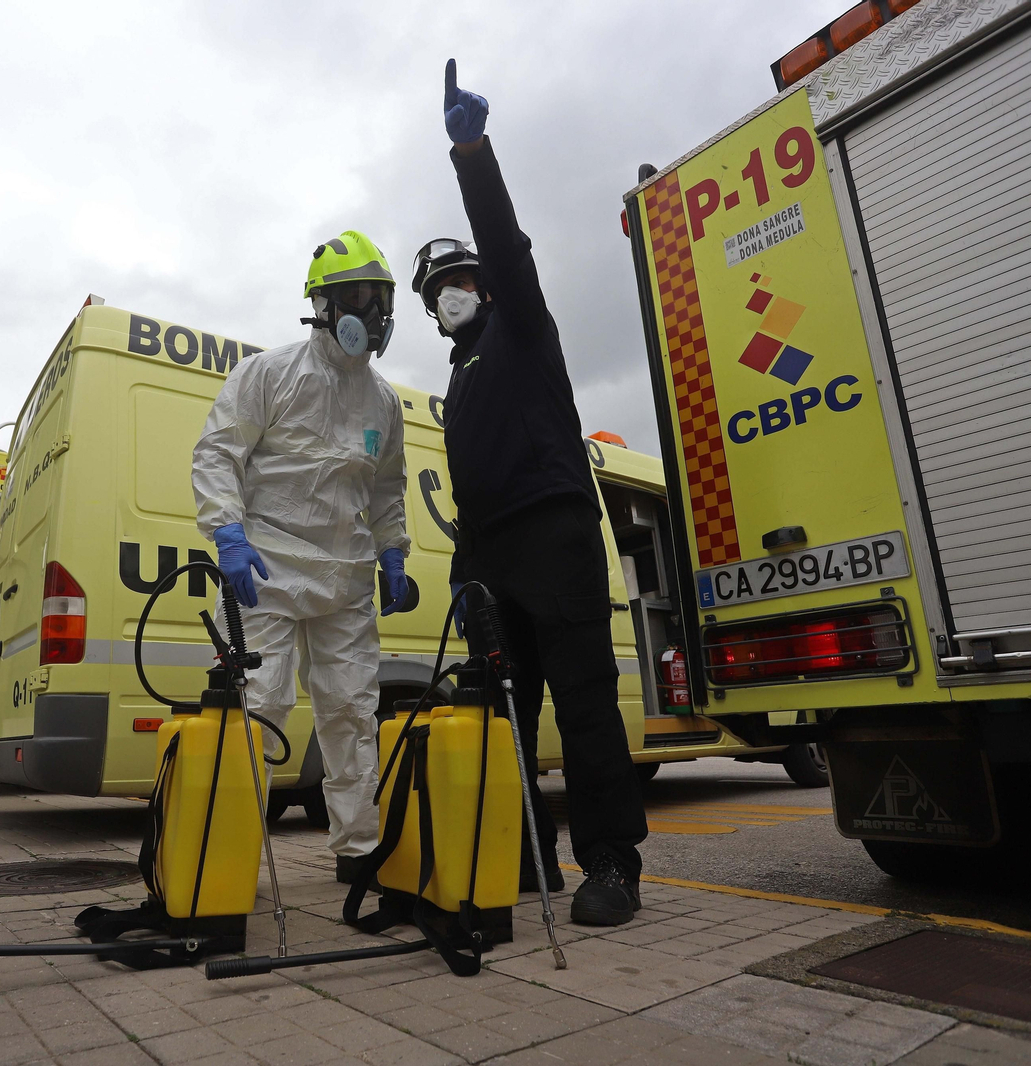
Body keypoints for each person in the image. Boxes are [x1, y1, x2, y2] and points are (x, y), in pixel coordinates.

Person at [414, 59, 648, 926]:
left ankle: (612, 865)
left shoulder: (522, 328)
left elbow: (507, 246)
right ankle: (526, 859)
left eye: (458, 282)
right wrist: (463, 574)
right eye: (438, 293)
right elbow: (470, 492)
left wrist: (473, 153)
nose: (450, 297)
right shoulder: (459, 382)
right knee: (505, 716)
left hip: (556, 539)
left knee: (585, 708)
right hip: (494, 560)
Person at [193, 231, 411, 885]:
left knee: (350, 713)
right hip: (269, 569)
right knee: (259, 709)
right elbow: (218, 453)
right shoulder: (270, 374)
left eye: (377, 300)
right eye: (354, 298)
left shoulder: (384, 401)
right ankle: (227, 856)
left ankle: (356, 850)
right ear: (321, 304)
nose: (369, 315)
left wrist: (393, 553)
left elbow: (386, 489)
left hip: (346, 578)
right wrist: (227, 533)